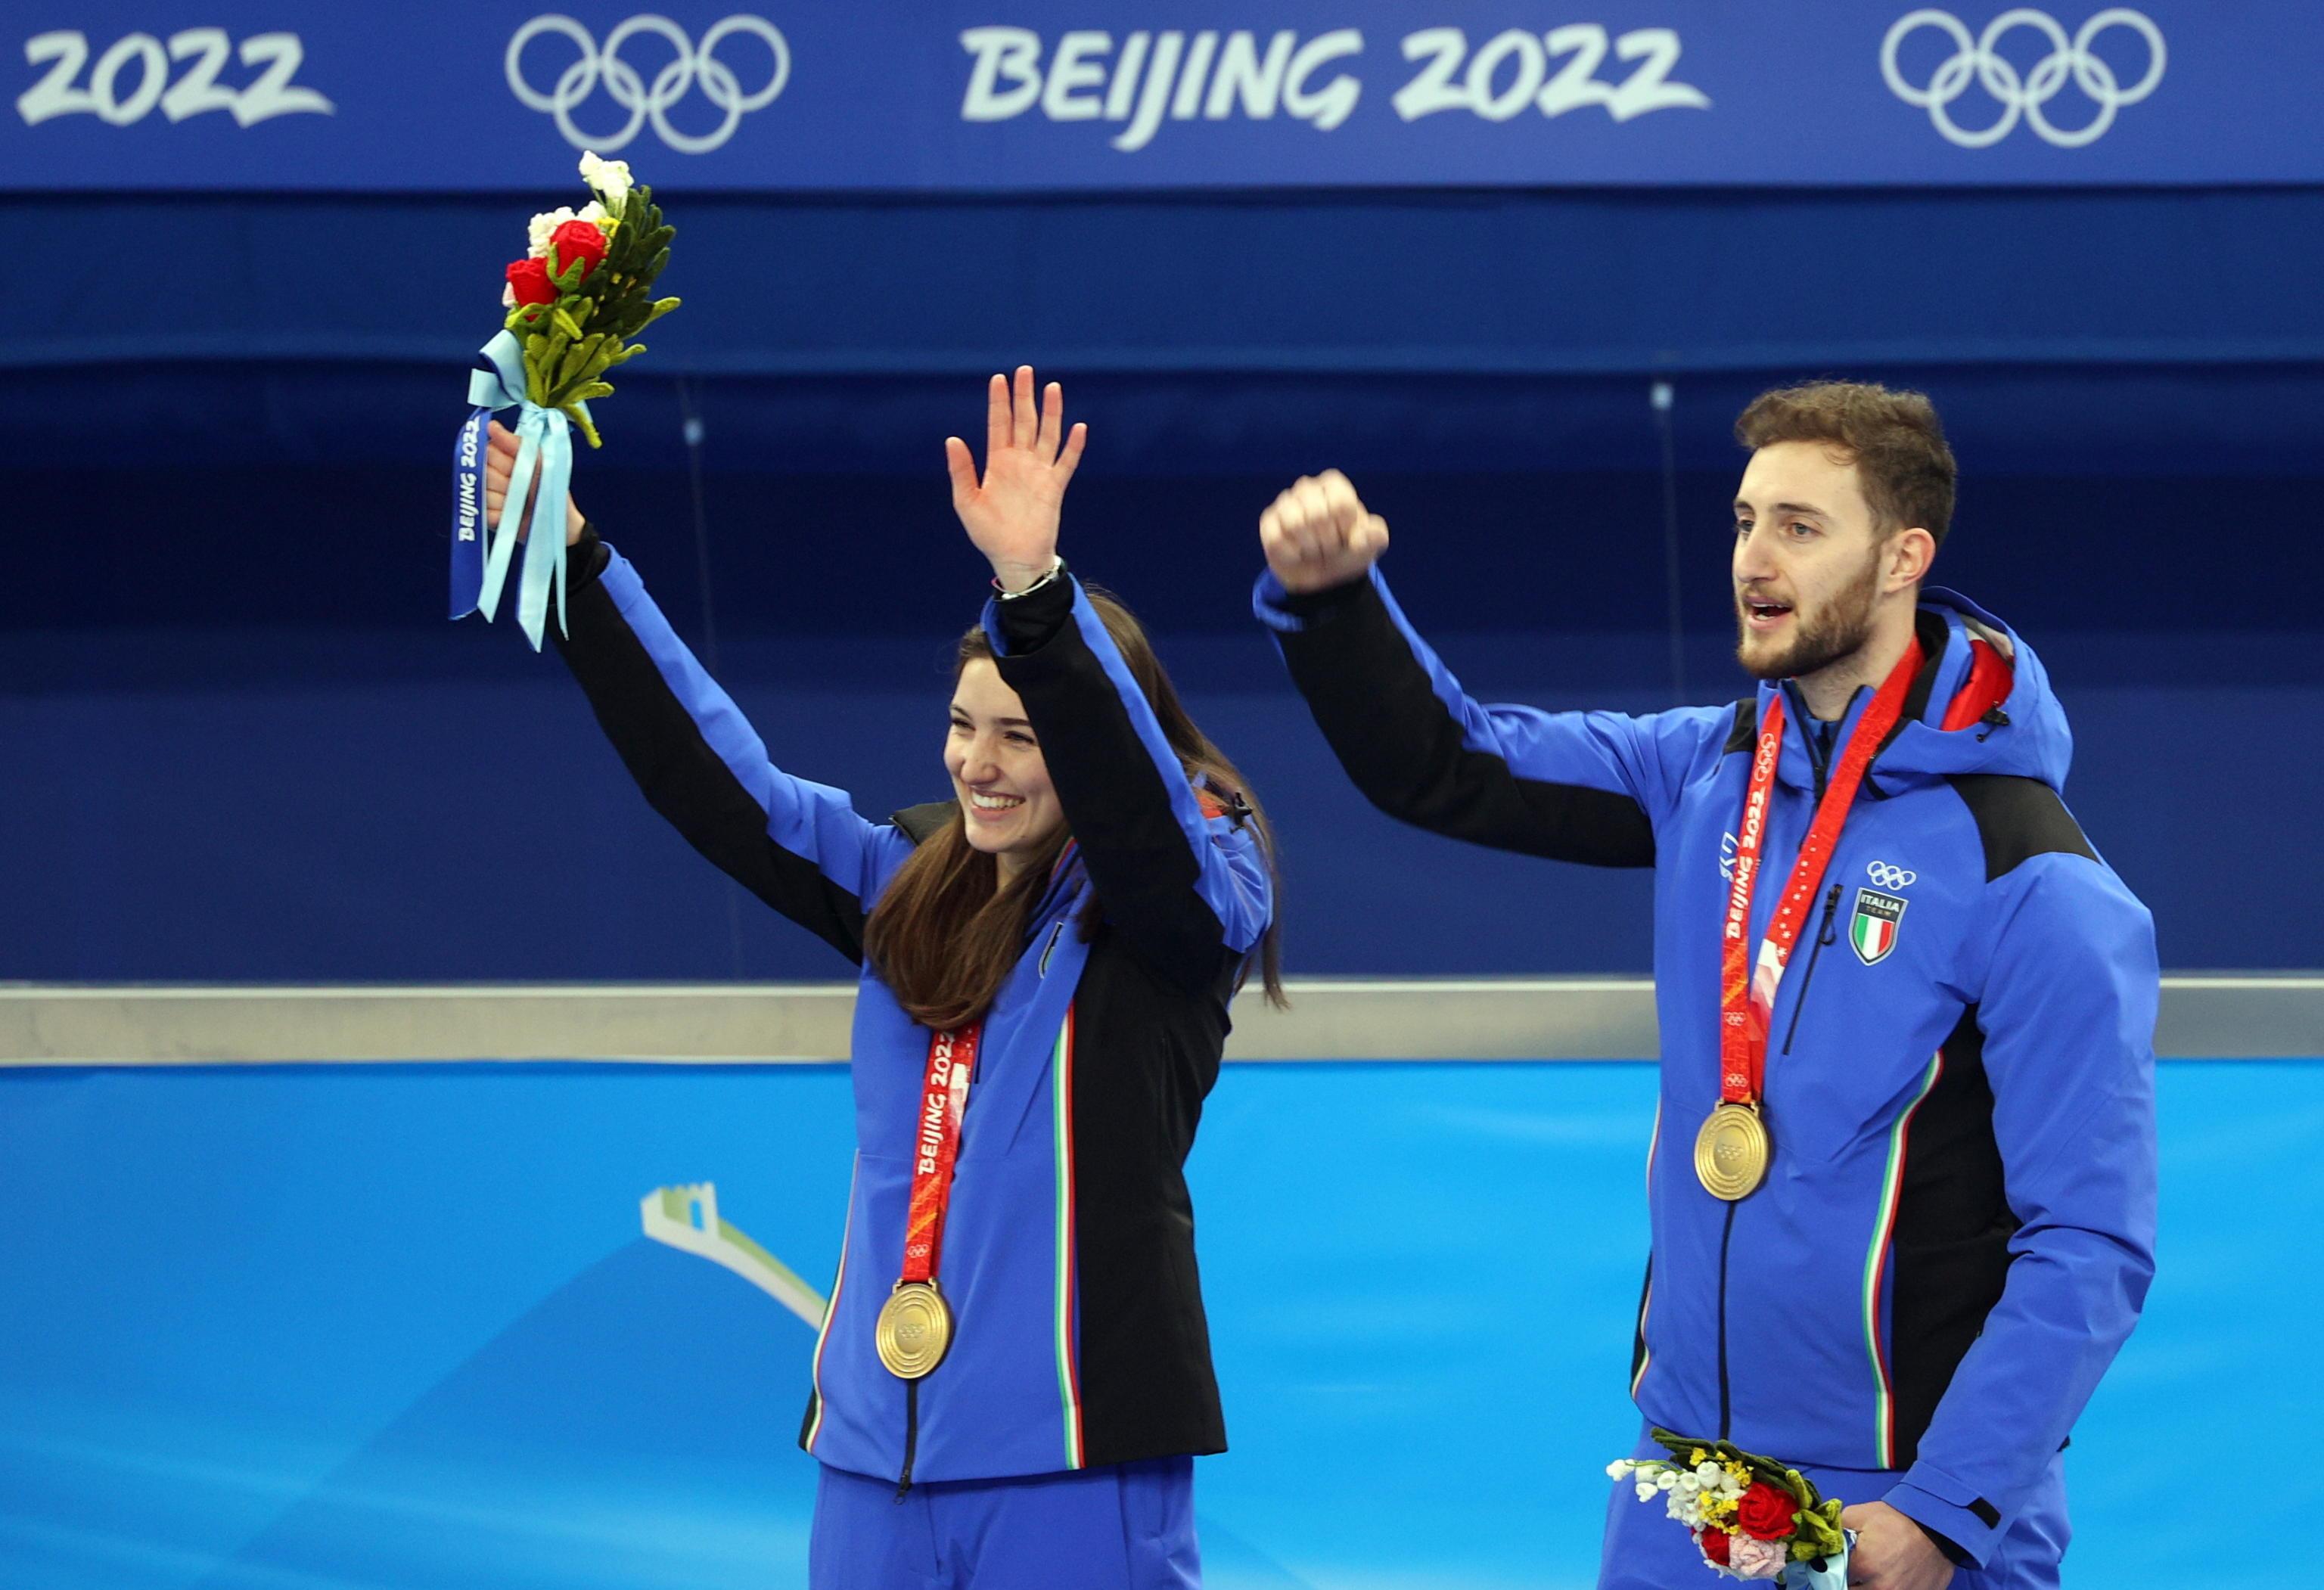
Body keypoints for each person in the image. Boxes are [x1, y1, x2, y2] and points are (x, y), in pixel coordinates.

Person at [1250, 383, 2156, 1590]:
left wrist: (1947, 1509)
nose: (1753, 559)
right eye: (1742, 521)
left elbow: (2089, 1239)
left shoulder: (2028, 869)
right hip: (1692, 1488)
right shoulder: (1702, 771)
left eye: (1799, 526)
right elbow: (1446, 766)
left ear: (1903, 558)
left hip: (1899, 1510)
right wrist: (1334, 602)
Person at [481, 367, 1281, 1589]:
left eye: (1024, 734)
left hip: (1073, 1456)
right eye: (965, 726)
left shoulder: (1190, 898)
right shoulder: (907, 877)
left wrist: (1036, 594)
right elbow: (722, 784)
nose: (981, 764)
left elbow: (1147, 823)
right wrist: (582, 562)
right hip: (874, 1458)